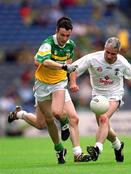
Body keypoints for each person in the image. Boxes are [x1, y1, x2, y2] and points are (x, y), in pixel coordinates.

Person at [8, 17, 90, 164]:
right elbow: (43, 61)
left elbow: (70, 65)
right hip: (42, 86)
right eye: (62, 35)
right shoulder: (48, 44)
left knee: (65, 115)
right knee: (43, 123)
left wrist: (72, 82)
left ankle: (77, 153)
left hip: (59, 83)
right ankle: (21, 115)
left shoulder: (70, 45)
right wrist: (62, 66)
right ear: (56, 31)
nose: (65, 39)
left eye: (68, 35)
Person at [70, 37, 131, 162]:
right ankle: (118, 145)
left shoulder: (122, 63)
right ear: (104, 49)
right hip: (98, 95)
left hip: (115, 94)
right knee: (104, 126)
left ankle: (97, 149)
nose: (109, 56)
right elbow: (73, 68)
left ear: (118, 52)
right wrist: (73, 83)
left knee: (103, 119)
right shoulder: (93, 58)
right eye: (107, 52)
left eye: (113, 53)